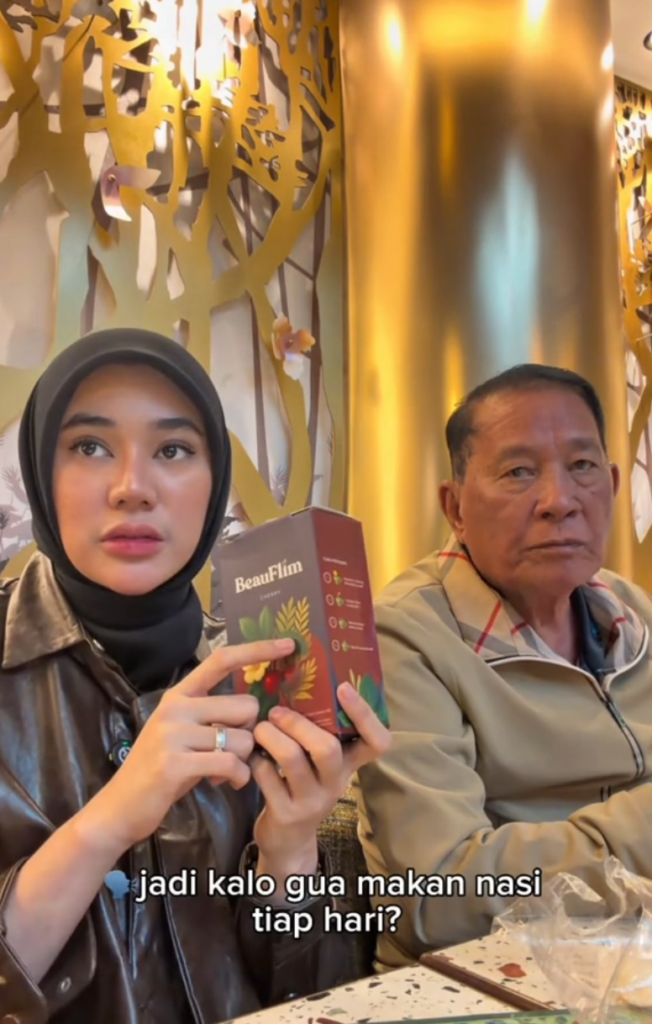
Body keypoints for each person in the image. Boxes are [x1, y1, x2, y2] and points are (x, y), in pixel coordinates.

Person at [0, 328, 391, 1024]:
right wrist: (113, 817)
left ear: (215, 485)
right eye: (89, 447)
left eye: (173, 450)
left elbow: (313, 995)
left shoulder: (260, 673)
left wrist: (290, 848)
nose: (133, 488)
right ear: (39, 473)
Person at [355, 364, 652, 971]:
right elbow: (437, 896)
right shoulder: (404, 636)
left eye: (582, 466)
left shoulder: (632, 612)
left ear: (613, 485)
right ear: (455, 506)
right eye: (519, 472)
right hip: (491, 980)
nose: (560, 501)